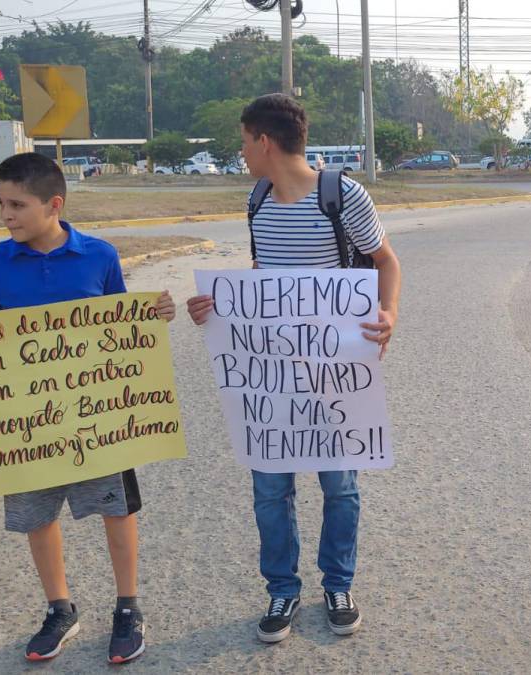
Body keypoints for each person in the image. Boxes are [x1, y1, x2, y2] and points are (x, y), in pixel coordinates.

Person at [0, 152, 176, 663]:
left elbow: (124, 333)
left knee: (117, 507)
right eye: (1, 204)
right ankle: (59, 608)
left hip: (96, 417)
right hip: (24, 422)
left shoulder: (99, 256)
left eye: (17, 205)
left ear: (54, 205)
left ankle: (128, 606)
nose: (6, 215)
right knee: (37, 515)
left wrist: (155, 315)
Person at [186, 93, 402, 644]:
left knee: (340, 487)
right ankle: (282, 588)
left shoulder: (341, 194)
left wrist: (389, 314)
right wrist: (217, 310)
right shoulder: (257, 199)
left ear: (264, 141)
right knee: (269, 491)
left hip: (333, 372)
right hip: (272, 376)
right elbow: (263, 279)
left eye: (242, 141)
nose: (240, 152)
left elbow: (385, 261)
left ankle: (338, 583)